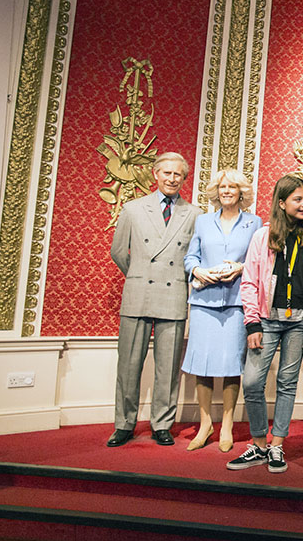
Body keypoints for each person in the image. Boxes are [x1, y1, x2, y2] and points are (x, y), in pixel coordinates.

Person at [227, 175, 303, 474]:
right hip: (267, 320)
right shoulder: (263, 236)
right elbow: (249, 282)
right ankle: (258, 443)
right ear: (281, 203)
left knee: (287, 383)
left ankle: (277, 445)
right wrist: (252, 323)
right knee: (253, 382)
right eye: (297, 199)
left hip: (299, 322)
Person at [108, 152, 203, 447]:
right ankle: (124, 424)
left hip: (173, 293)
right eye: (167, 173)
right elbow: (118, 252)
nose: (172, 179)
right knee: (128, 365)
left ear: (184, 179)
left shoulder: (195, 213)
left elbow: (195, 257)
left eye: (178, 175)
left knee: (168, 366)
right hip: (138, 292)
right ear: (155, 174)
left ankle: (162, 424)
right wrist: (137, 273)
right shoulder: (133, 209)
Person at [182, 169, 261, 452]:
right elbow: (191, 256)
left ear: (242, 192)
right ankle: (205, 425)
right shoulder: (203, 221)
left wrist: (240, 267)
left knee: (231, 365)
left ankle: (226, 424)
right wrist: (198, 270)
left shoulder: (254, 222)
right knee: (202, 364)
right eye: (222, 187)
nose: (227, 191)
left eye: (232, 187)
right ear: (216, 191)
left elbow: (257, 259)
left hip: (237, 302)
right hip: (204, 301)